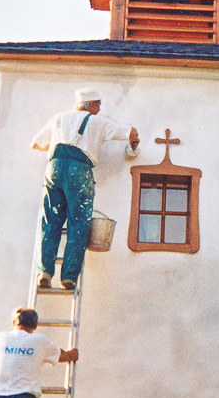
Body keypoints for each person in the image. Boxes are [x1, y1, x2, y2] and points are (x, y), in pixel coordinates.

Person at [31, 87, 138, 290]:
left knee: (50, 221)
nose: (99, 109)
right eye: (98, 105)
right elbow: (131, 131)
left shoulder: (58, 119)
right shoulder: (98, 121)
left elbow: (35, 144)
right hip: (78, 171)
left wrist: (57, 142)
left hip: (53, 168)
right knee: (78, 223)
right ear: (91, 105)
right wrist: (133, 145)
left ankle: (44, 271)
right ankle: (69, 277)